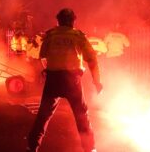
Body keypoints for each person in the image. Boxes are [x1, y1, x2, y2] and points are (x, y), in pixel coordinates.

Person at [26, 8, 103, 152]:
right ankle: (90, 149)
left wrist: (47, 71)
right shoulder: (78, 36)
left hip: (53, 80)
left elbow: (42, 57)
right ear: (73, 21)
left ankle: (31, 148)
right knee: (81, 116)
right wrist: (96, 81)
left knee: (43, 116)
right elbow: (92, 59)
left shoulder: (50, 36)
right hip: (72, 81)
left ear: (58, 21)